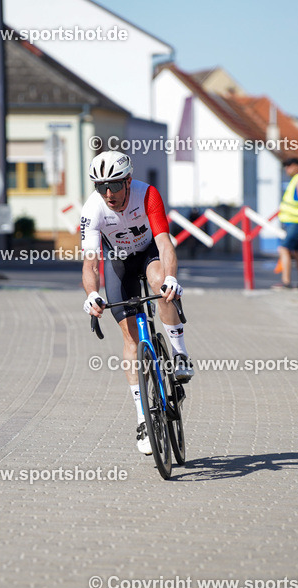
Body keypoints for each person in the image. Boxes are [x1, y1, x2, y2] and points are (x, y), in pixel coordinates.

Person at [81, 151, 193, 455]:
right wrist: (92, 294)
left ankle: (180, 355)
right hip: (118, 263)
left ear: (128, 181)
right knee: (131, 340)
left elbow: (164, 243)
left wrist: (171, 277)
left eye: (115, 186)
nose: (108, 194)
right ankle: (143, 417)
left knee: (160, 282)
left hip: (148, 255)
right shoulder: (92, 210)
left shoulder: (147, 195)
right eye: (100, 186)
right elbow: (90, 263)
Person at [274, 157, 298, 290]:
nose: (287, 169)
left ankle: (286, 281)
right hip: (297, 221)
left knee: (284, 250)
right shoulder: (297, 180)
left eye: (289, 166)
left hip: (296, 222)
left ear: (297, 166)